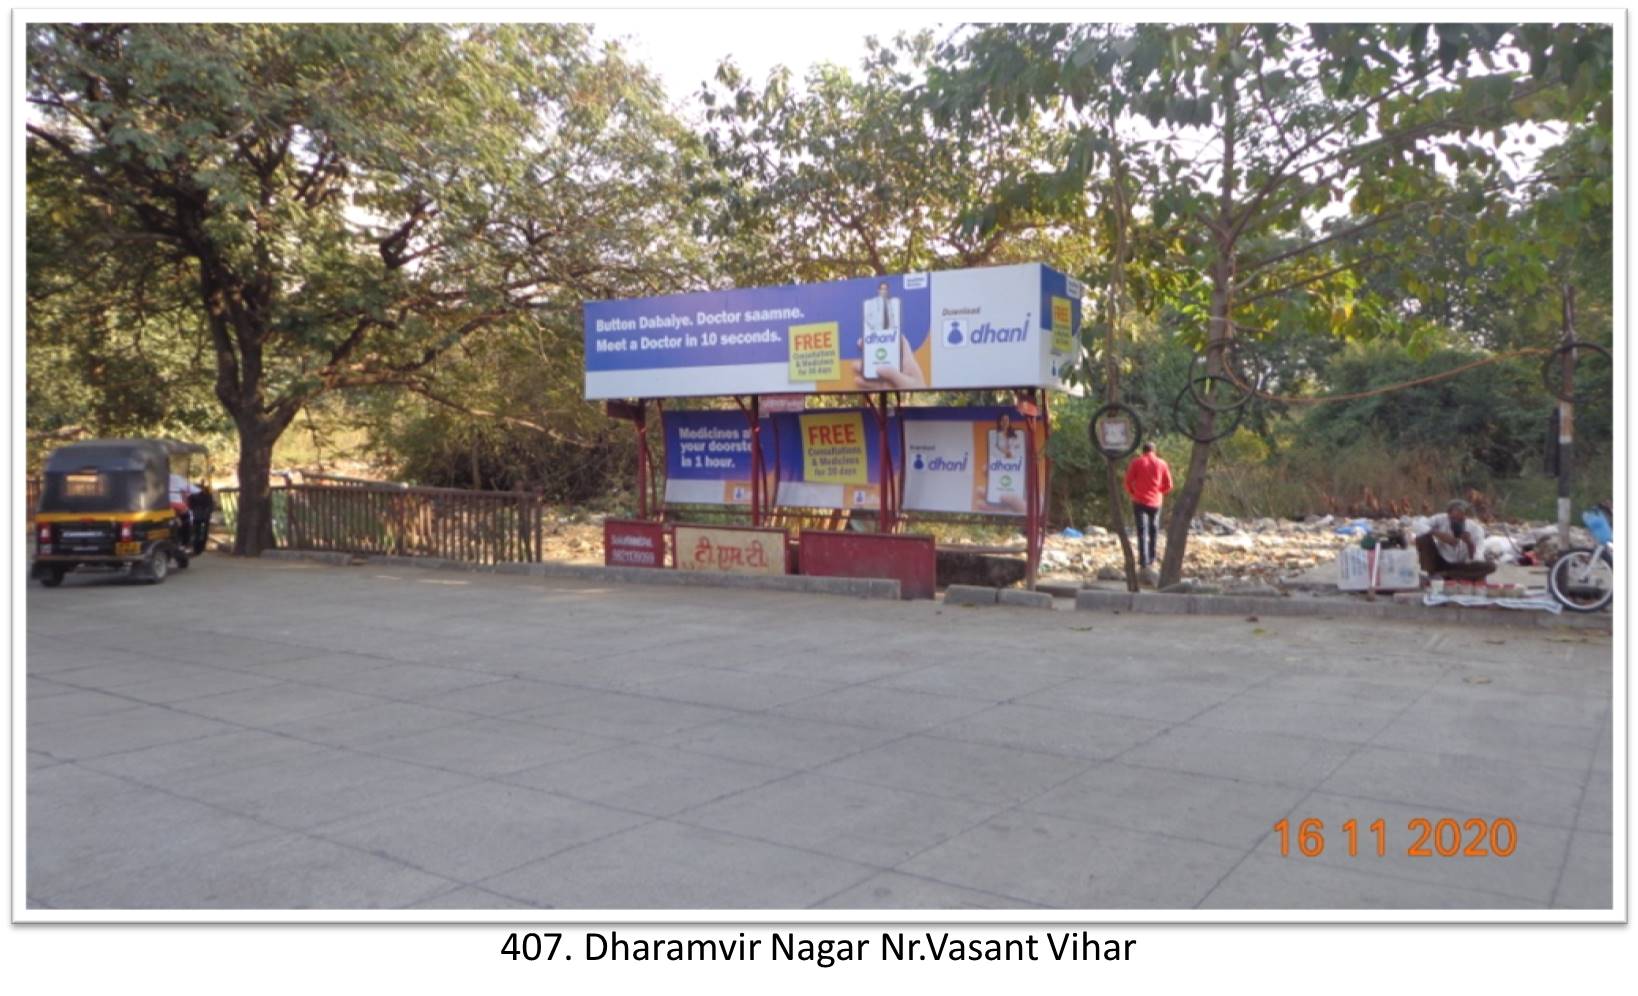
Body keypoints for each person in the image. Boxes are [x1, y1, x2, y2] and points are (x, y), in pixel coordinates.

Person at [1415, 498, 1496, 581]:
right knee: (1423, 538)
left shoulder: (1476, 529)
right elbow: (1418, 524)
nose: (1456, 521)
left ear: (1465, 517)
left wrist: (1469, 544)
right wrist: (1438, 534)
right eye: (1453, 519)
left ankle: (1445, 575)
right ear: (1448, 515)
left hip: (1461, 565)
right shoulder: (1441, 519)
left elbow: (1477, 558)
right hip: (1441, 562)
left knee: (1491, 566)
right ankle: (1437, 574)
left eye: (1460, 519)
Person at [1123, 441, 1173, 570]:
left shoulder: (1136, 462)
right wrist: (1158, 491)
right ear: (1154, 451)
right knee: (1154, 530)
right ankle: (1152, 558)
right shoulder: (1162, 463)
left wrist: (1133, 492)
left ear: (1143, 451)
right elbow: (1169, 485)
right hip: (1156, 502)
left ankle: (1143, 561)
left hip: (1139, 501)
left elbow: (1127, 482)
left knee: (1142, 531)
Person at [186, 481, 215, 554]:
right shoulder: (207, 495)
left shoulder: (192, 495)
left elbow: (190, 505)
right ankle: (200, 546)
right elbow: (211, 505)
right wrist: (208, 512)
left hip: (197, 516)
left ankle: (197, 546)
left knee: (197, 531)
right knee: (203, 532)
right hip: (204, 516)